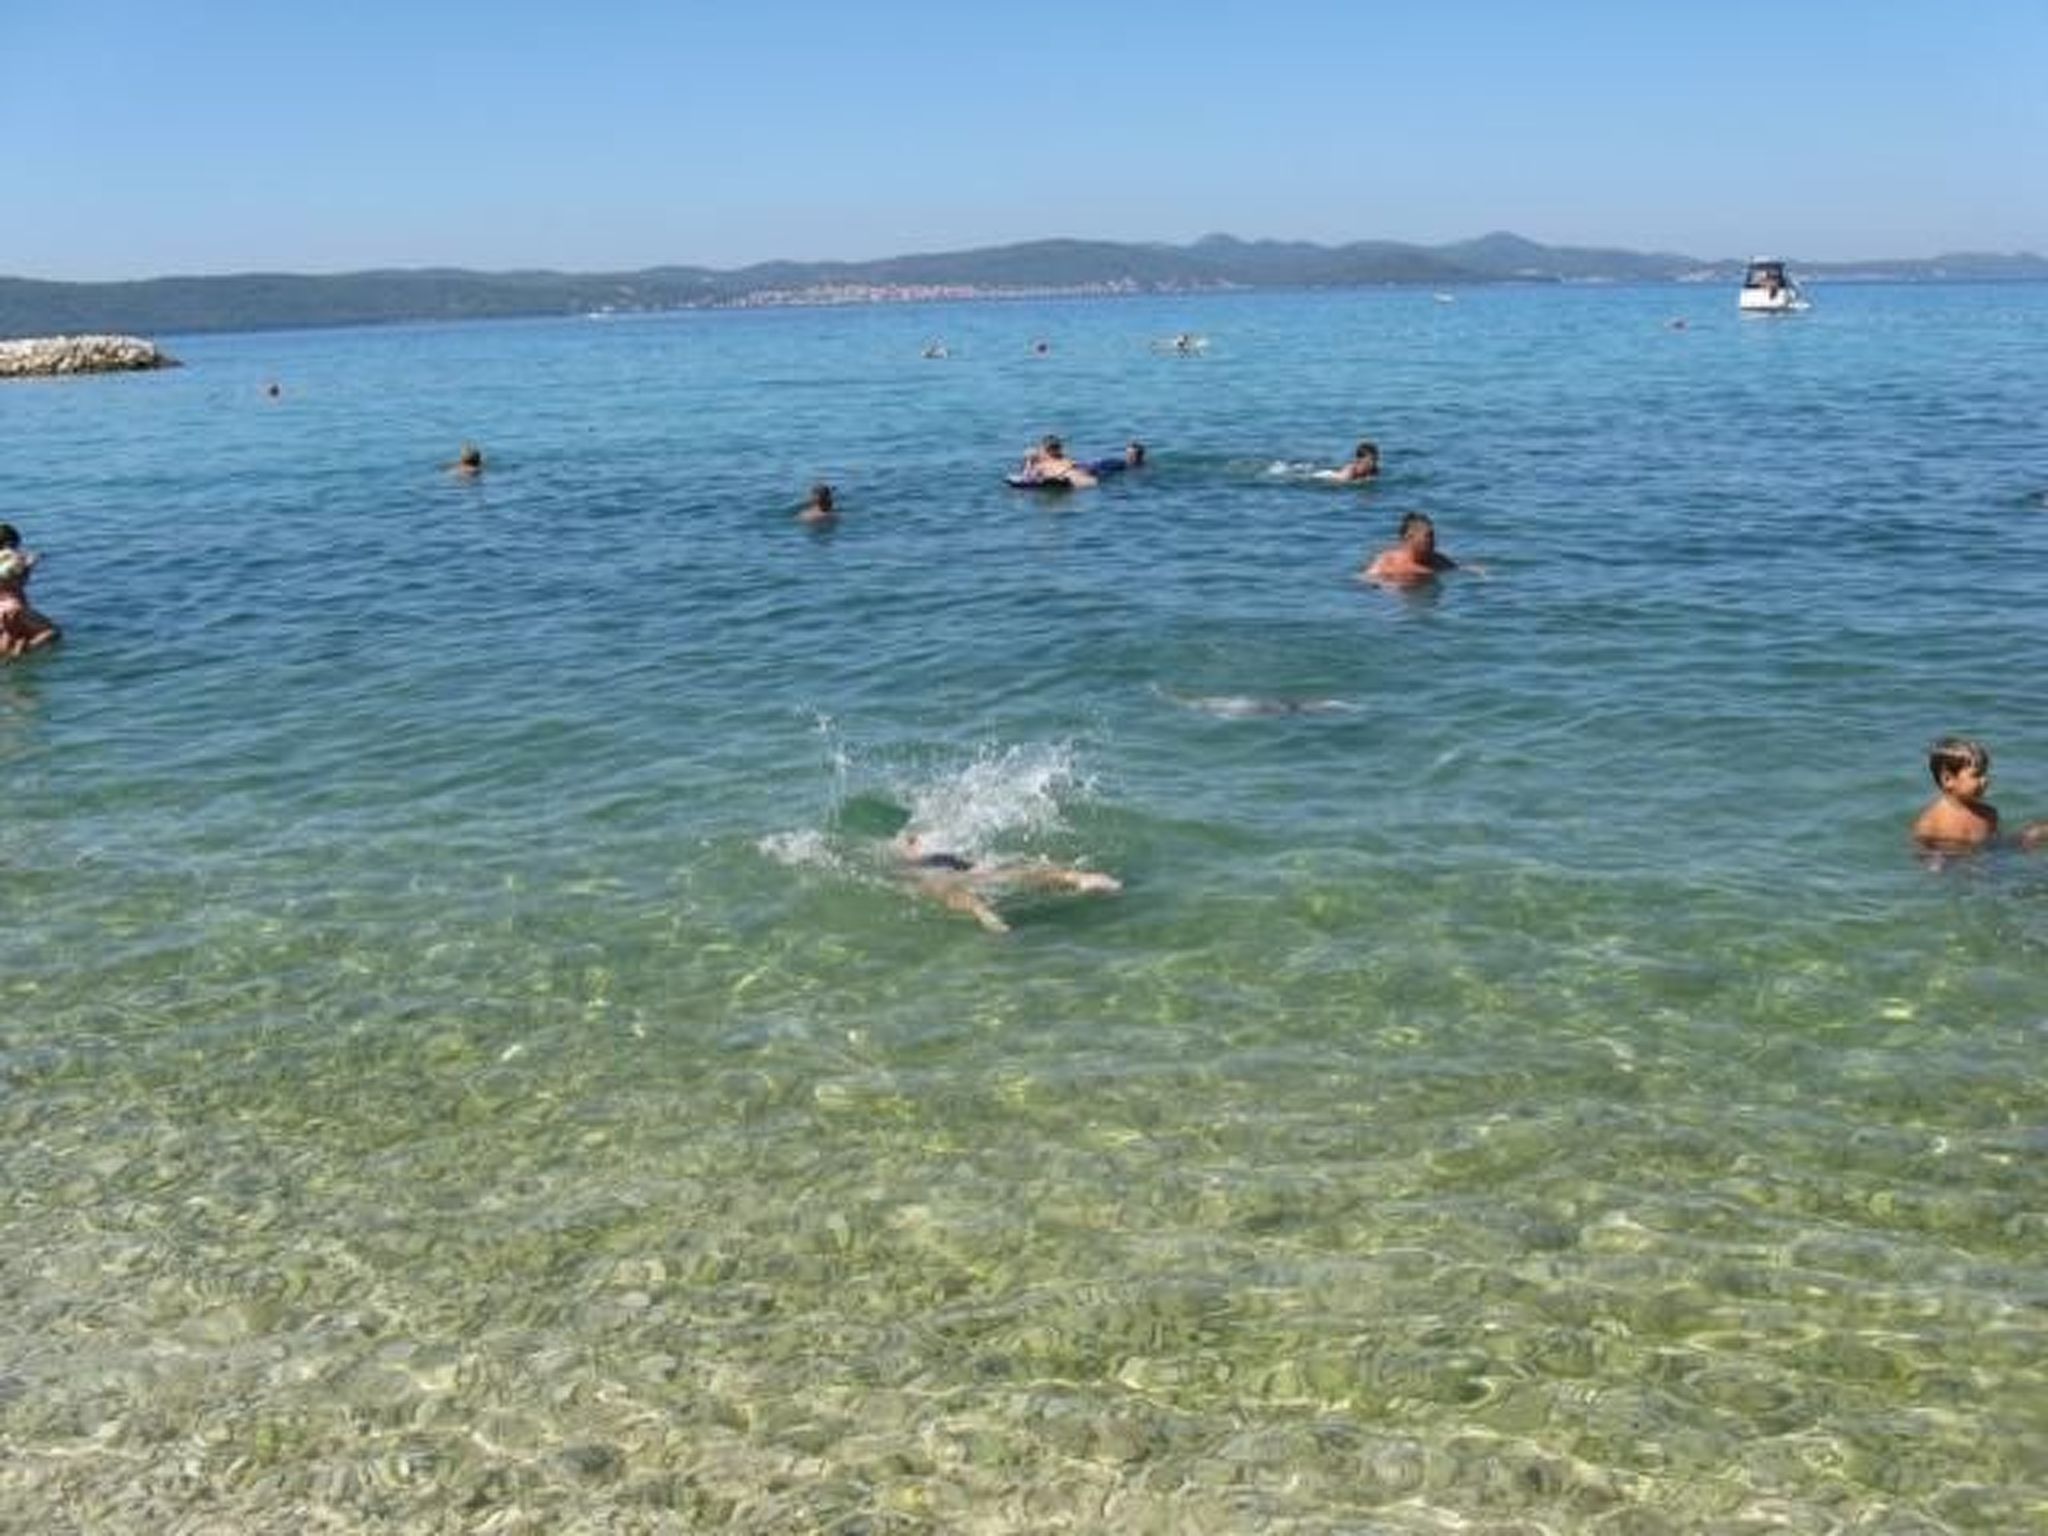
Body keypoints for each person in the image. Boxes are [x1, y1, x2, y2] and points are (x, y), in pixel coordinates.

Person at [894, 830, 1121, 934]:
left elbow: (905, 851)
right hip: (956, 861)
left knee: (943, 887)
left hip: (932, 866)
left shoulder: (906, 856)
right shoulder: (937, 844)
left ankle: (980, 910)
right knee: (1003, 873)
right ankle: (1077, 877)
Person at [1911, 737, 2048, 852]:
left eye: (1985, 773)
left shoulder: (1989, 813)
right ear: (1948, 779)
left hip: (1987, 860)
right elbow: (1922, 850)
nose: (1985, 780)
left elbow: (1995, 845)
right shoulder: (1932, 820)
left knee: (2033, 834)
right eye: (1977, 775)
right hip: (1958, 868)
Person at [0, 523, 59, 658]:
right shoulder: (15, 557)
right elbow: (15, 576)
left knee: (9, 638)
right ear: (10, 542)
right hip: (13, 606)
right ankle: (26, 648)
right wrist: (29, 565)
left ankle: (9, 665)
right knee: (53, 633)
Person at [1359, 512, 1462, 586]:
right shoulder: (1387, 562)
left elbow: (1460, 570)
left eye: (1433, 536)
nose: (1432, 541)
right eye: (1427, 537)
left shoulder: (1438, 560)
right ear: (1409, 538)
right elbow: (1363, 581)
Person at [1016, 435, 1098, 489]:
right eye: (1053, 448)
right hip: (1068, 476)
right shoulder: (1038, 460)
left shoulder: (1061, 458)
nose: (1055, 450)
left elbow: (1027, 476)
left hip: (1067, 476)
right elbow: (1027, 476)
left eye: (1056, 447)